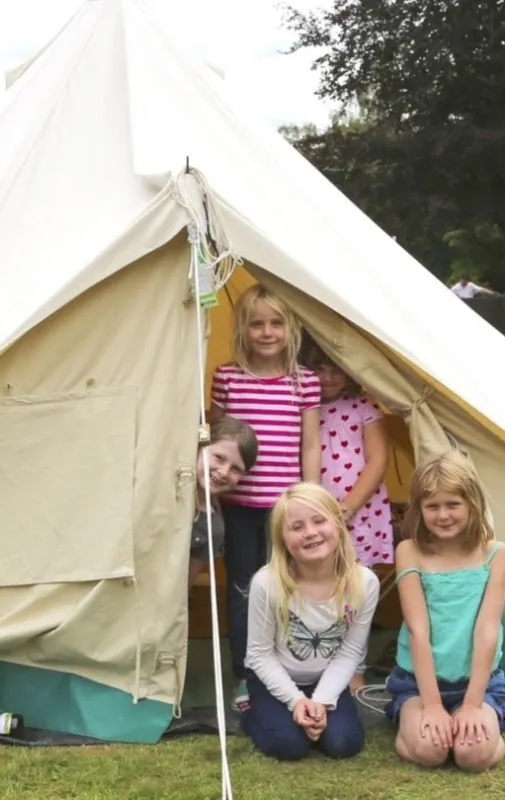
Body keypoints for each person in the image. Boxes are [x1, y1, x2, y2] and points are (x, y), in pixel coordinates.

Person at [210, 284, 322, 710]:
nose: (267, 332)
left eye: (276, 323)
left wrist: (309, 499)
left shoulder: (304, 383)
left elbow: (309, 444)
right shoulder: (227, 376)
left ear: (290, 328)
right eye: (257, 323)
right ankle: (246, 675)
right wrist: (214, 493)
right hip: (238, 508)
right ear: (244, 329)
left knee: (288, 589)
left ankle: (291, 669)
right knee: (243, 592)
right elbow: (215, 438)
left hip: (287, 510)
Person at [386, 450, 505, 772]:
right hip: (418, 682)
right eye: (432, 506)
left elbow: (488, 630)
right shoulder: (409, 551)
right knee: (431, 751)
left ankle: (483, 718)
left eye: (453, 504)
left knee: (472, 756)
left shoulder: (495, 554)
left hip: (477, 682)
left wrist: (471, 704)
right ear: (419, 509)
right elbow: (418, 630)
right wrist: (431, 705)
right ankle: (409, 723)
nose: (443, 515)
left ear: (472, 504)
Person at [240, 482, 379, 761]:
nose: (311, 533)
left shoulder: (364, 583)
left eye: (319, 521)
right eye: (296, 527)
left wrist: (320, 701)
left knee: (343, 744)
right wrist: (295, 701)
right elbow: (259, 654)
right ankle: (249, 709)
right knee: (289, 746)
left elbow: (350, 652)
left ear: (338, 525)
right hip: (274, 677)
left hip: (324, 678)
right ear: (282, 539)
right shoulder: (267, 583)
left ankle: (311, 714)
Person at [310, 348, 393, 691]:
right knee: (319, 590)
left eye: (335, 370)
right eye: (319, 369)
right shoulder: (305, 409)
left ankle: (354, 668)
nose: (327, 377)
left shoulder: (365, 407)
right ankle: (321, 663)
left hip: (360, 515)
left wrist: (349, 507)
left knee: (355, 594)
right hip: (315, 515)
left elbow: (378, 461)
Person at [188, 416, 259, 588]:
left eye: (236, 469)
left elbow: (184, 586)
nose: (224, 472)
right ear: (200, 445)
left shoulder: (212, 526)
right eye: (219, 458)